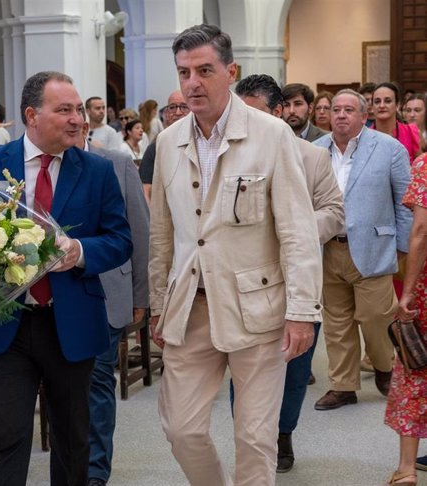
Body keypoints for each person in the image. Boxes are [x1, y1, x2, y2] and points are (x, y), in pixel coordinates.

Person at [149, 24, 322, 486]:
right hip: (191, 307)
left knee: (254, 437)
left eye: (204, 70)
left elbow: (298, 230)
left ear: (231, 72)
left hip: (257, 309)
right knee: (181, 429)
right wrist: (160, 303)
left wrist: (302, 311)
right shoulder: (168, 142)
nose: (192, 83)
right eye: (184, 72)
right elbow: (162, 235)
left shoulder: (271, 135)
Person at [0, 71, 132, 486]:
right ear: (31, 115)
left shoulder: (97, 170)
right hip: (6, 324)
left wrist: (79, 253)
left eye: (79, 110)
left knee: (74, 439)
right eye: (65, 110)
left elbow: (120, 240)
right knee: (6, 438)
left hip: (70, 322)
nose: (77, 119)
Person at [234, 74, 345, 473]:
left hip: (295, 278)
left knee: (294, 365)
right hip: (244, 282)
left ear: (278, 112)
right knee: (243, 364)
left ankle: (283, 434)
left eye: (255, 114)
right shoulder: (230, 155)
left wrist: (291, 228)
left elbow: (334, 212)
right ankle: (248, 438)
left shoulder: (312, 157)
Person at [312, 90, 412, 410]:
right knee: (337, 321)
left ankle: (384, 366)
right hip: (328, 248)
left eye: (348, 110)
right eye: (335, 109)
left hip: (375, 246)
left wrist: (402, 248)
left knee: (376, 317)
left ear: (363, 115)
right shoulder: (315, 151)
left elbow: (405, 204)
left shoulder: (389, 149)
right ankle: (343, 386)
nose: (340, 115)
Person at [75, 112, 149, 486]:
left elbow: (139, 230)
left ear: (87, 130)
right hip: (62, 295)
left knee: (99, 379)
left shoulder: (117, 164)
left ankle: (95, 470)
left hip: (109, 290)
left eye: (77, 126)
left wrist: (141, 295)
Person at [385, 154, 427, 486]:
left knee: (416, 367)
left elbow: (421, 230)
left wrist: (408, 291)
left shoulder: (426, 164)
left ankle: (406, 468)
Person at [139, 91, 189, 201]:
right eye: (172, 107)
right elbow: (146, 189)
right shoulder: (156, 148)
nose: (178, 112)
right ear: (166, 113)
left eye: (184, 107)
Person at [372, 82, 422, 162]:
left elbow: (419, 168)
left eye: (387, 101)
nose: (381, 105)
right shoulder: (363, 136)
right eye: (377, 102)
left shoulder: (411, 132)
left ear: (397, 105)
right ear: (372, 107)